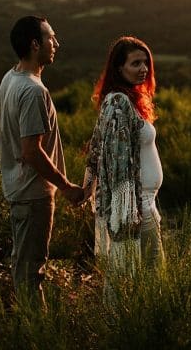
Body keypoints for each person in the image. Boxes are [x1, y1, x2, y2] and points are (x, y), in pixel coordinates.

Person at [0, 15, 84, 303]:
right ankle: (35, 332)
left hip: (18, 188)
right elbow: (32, 151)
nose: (56, 43)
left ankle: (24, 325)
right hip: (33, 194)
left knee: (23, 264)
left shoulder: (11, 77)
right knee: (32, 272)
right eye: (50, 38)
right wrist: (66, 186)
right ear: (35, 44)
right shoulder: (33, 91)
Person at [83, 36, 165, 274]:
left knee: (145, 274)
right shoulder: (118, 103)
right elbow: (102, 152)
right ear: (120, 68)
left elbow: (95, 147)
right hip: (134, 207)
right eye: (135, 63)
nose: (143, 69)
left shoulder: (131, 99)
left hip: (144, 203)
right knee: (146, 276)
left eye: (145, 62)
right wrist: (124, 210)